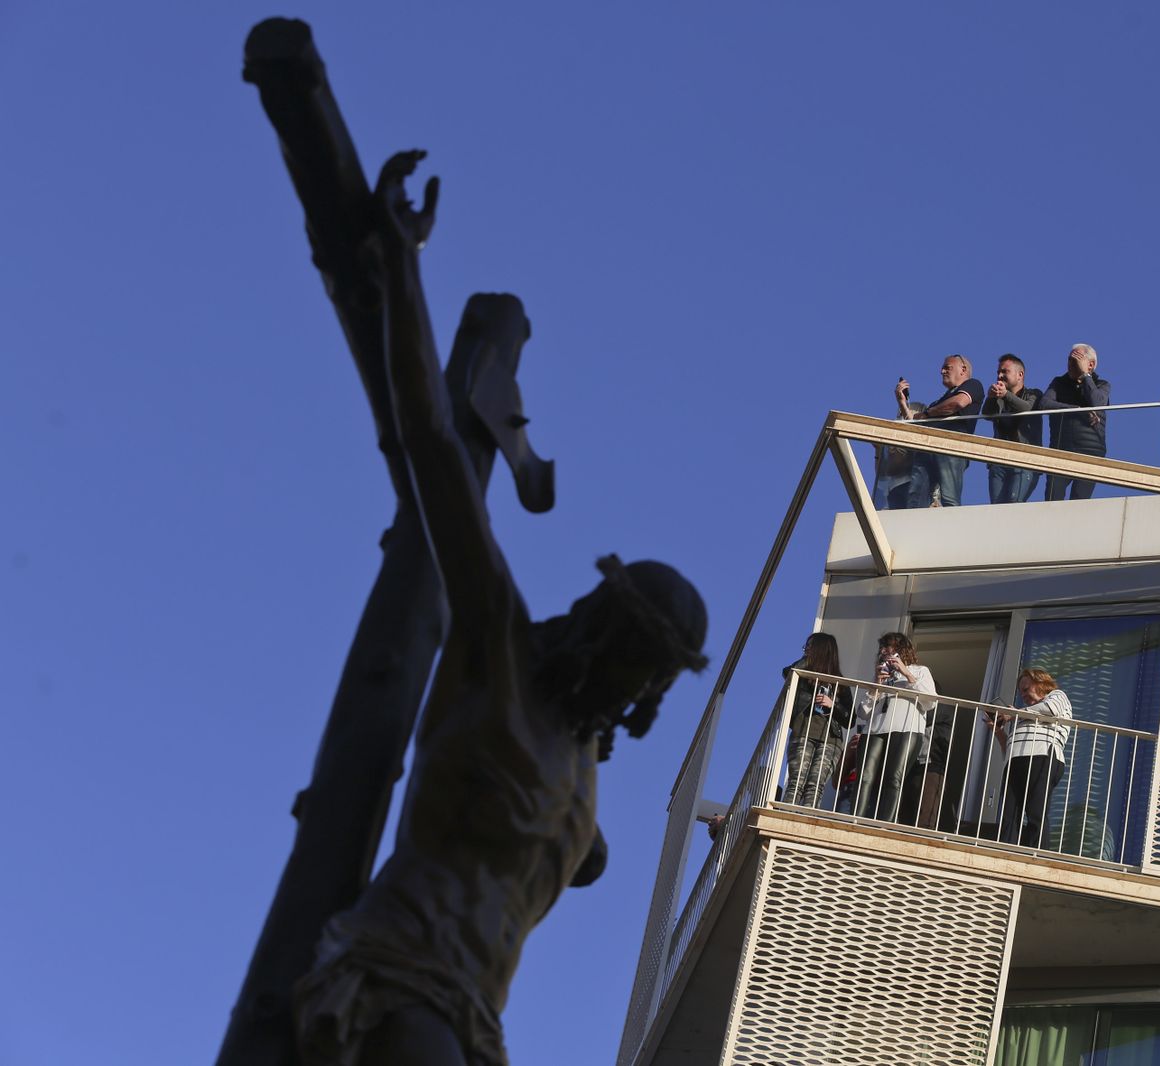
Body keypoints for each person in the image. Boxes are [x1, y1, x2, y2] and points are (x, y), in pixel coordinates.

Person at [295, 154, 709, 1066]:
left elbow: (582, 853)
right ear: (600, 620)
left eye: (656, 668)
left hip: (474, 1021)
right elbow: (435, 447)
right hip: (395, 977)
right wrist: (401, 274)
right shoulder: (499, 647)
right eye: (634, 648)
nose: (636, 676)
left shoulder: (579, 766)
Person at [852, 632, 937, 823]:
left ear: (901, 650)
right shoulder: (882, 675)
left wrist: (907, 673)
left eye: (888, 646)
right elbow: (863, 712)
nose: (883, 651)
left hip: (907, 729)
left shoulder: (920, 670)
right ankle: (855, 821)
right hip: (874, 730)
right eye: (882, 647)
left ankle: (884, 825)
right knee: (865, 777)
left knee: (894, 778)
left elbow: (930, 701)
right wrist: (875, 685)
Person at [987, 668, 1072, 849]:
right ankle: (1006, 852)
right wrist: (999, 732)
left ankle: (1038, 857)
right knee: (1009, 814)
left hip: (1043, 755)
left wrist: (1016, 713)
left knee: (1036, 811)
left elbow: (1051, 709)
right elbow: (1008, 748)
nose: (1023, 695)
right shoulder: (1025, 714)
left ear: (1041, 683)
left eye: (1026, 689)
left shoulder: (1057, 695)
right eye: (1021, 692)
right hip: (1016, 761)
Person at [895, 355, 986, 507]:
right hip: (928, 449)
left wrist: (928, 414)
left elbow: (958, 403)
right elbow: (916, 423)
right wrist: (902, 403)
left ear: (963, 369)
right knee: (915, 496)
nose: (942, 371)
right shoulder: (937, 403)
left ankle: (952, 527)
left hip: (951, 449)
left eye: (947, 367)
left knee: (949, 497)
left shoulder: (973, 384)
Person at [780, 633, 855, 809]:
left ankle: (805, 821)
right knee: (796, 782)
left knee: (815, 786)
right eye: (806, 646)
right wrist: (808, 659)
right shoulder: (802, 675)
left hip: (831, 739)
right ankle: (787, 816)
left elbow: (850, 719)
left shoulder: (840, 683)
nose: (806, 649)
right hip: (803, 732)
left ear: (822, 649)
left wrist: (832, 704)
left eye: (811, 646)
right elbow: (788, 673)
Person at [1039, 344, 1111, 500]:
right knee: (1052, 497)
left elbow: (1097, 403)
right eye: (1070, 360)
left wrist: (1085, 376)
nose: (1071, 364)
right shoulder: (1059, 383)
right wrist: (1077, 410)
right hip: (1061, 449)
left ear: (1090, 364)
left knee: (1079, 500)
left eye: (1077, 360)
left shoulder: (1102, 385)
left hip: (1090, 451)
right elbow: (1044, 404)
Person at [981, 353, 1045, 503]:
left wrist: (1005, 395)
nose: (1000, 376)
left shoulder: (1034, 394)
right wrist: (991, 397)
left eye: (1005, 371)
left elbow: (1027, 408)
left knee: (1014, 501)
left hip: (1025, 460)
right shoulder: (998, 397)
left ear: (1020, 375)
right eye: (998, 372)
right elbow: (987, 414)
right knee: (997, 505)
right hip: (999, 460)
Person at [874, 401, 925, 509]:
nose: (902, 419)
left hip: (909, 487)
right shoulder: (894, 438)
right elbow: (883, 473)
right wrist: (879, 449)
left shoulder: (918, 441)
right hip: (894, 490)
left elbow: (895, 466)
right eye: (900, 415)